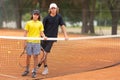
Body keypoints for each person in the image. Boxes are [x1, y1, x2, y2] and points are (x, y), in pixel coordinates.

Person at [37, 3, 68, 75]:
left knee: (45, 54)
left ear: (57, 9)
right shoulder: (46, 18)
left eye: (54, 8)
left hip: (52, 38)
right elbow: (41, 29)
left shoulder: (59, 17)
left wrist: (65, 35)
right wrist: (43, 36)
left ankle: (37, 67)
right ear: (50, 10)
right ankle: (45, 68)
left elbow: (62, 26)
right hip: (44, 38)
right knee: (44, 55)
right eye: (52, 8)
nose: (53, 9)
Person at [21, 10, 47, 78]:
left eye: (37, 15)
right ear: (32, 15)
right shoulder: (28, 23)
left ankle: (34, 71)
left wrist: (44, 36)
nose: (35, 16)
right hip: (29, 42)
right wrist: (24, 42)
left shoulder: (40, 23)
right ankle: (27, 70)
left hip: (37, 43)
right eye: (34, 14)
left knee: (35, 57)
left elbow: (41, 32)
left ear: (38, 16)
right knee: (28, 57)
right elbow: (25, 33)